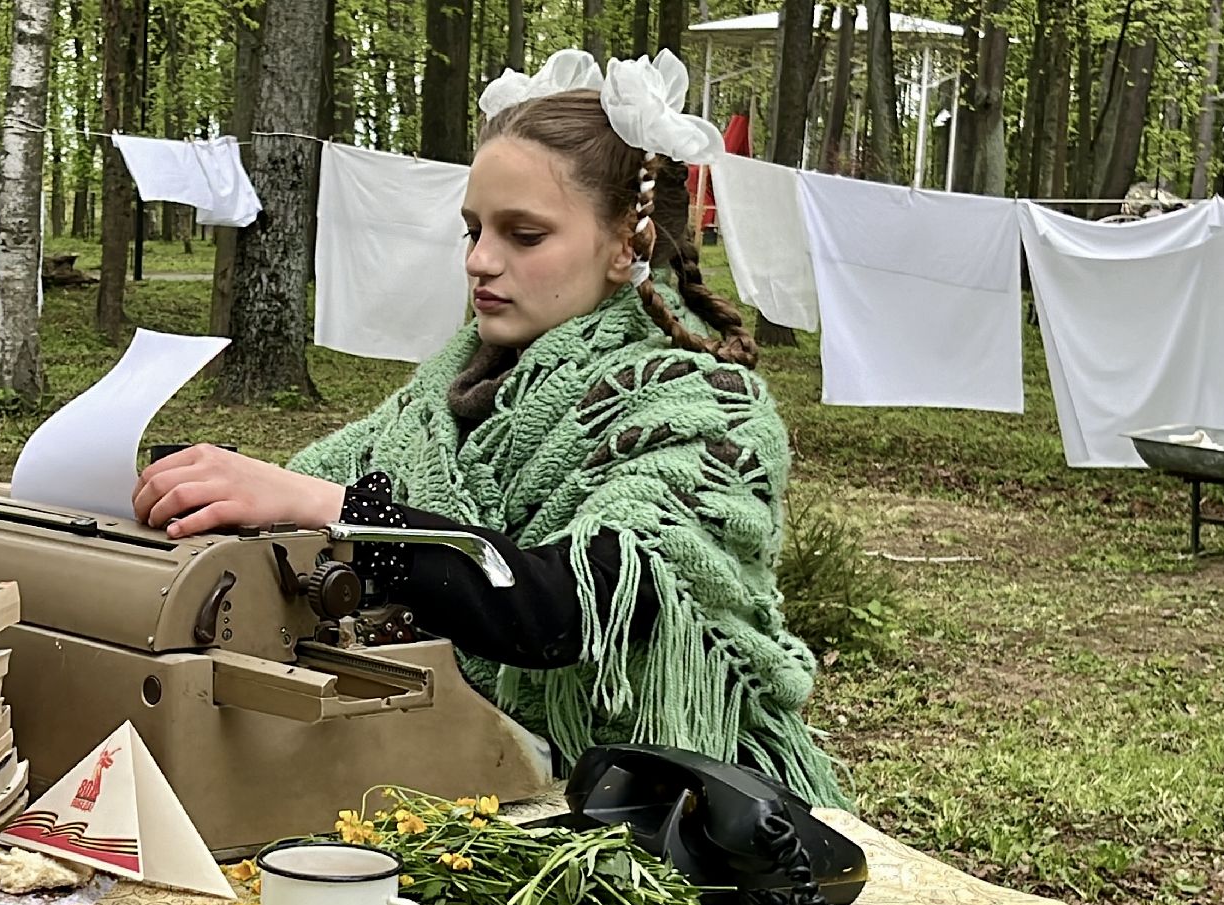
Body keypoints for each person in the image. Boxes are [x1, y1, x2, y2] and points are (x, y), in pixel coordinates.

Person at [131, 50, 846, 808]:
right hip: (478, 774)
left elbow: (569, 609)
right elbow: (304, 494)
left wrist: (339, 512)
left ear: (624, 246)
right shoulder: (450, 390)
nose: (480, 260)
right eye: (473, 230)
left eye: (524, 235)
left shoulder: (710, 414)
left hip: (673, 798)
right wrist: (191, 486)